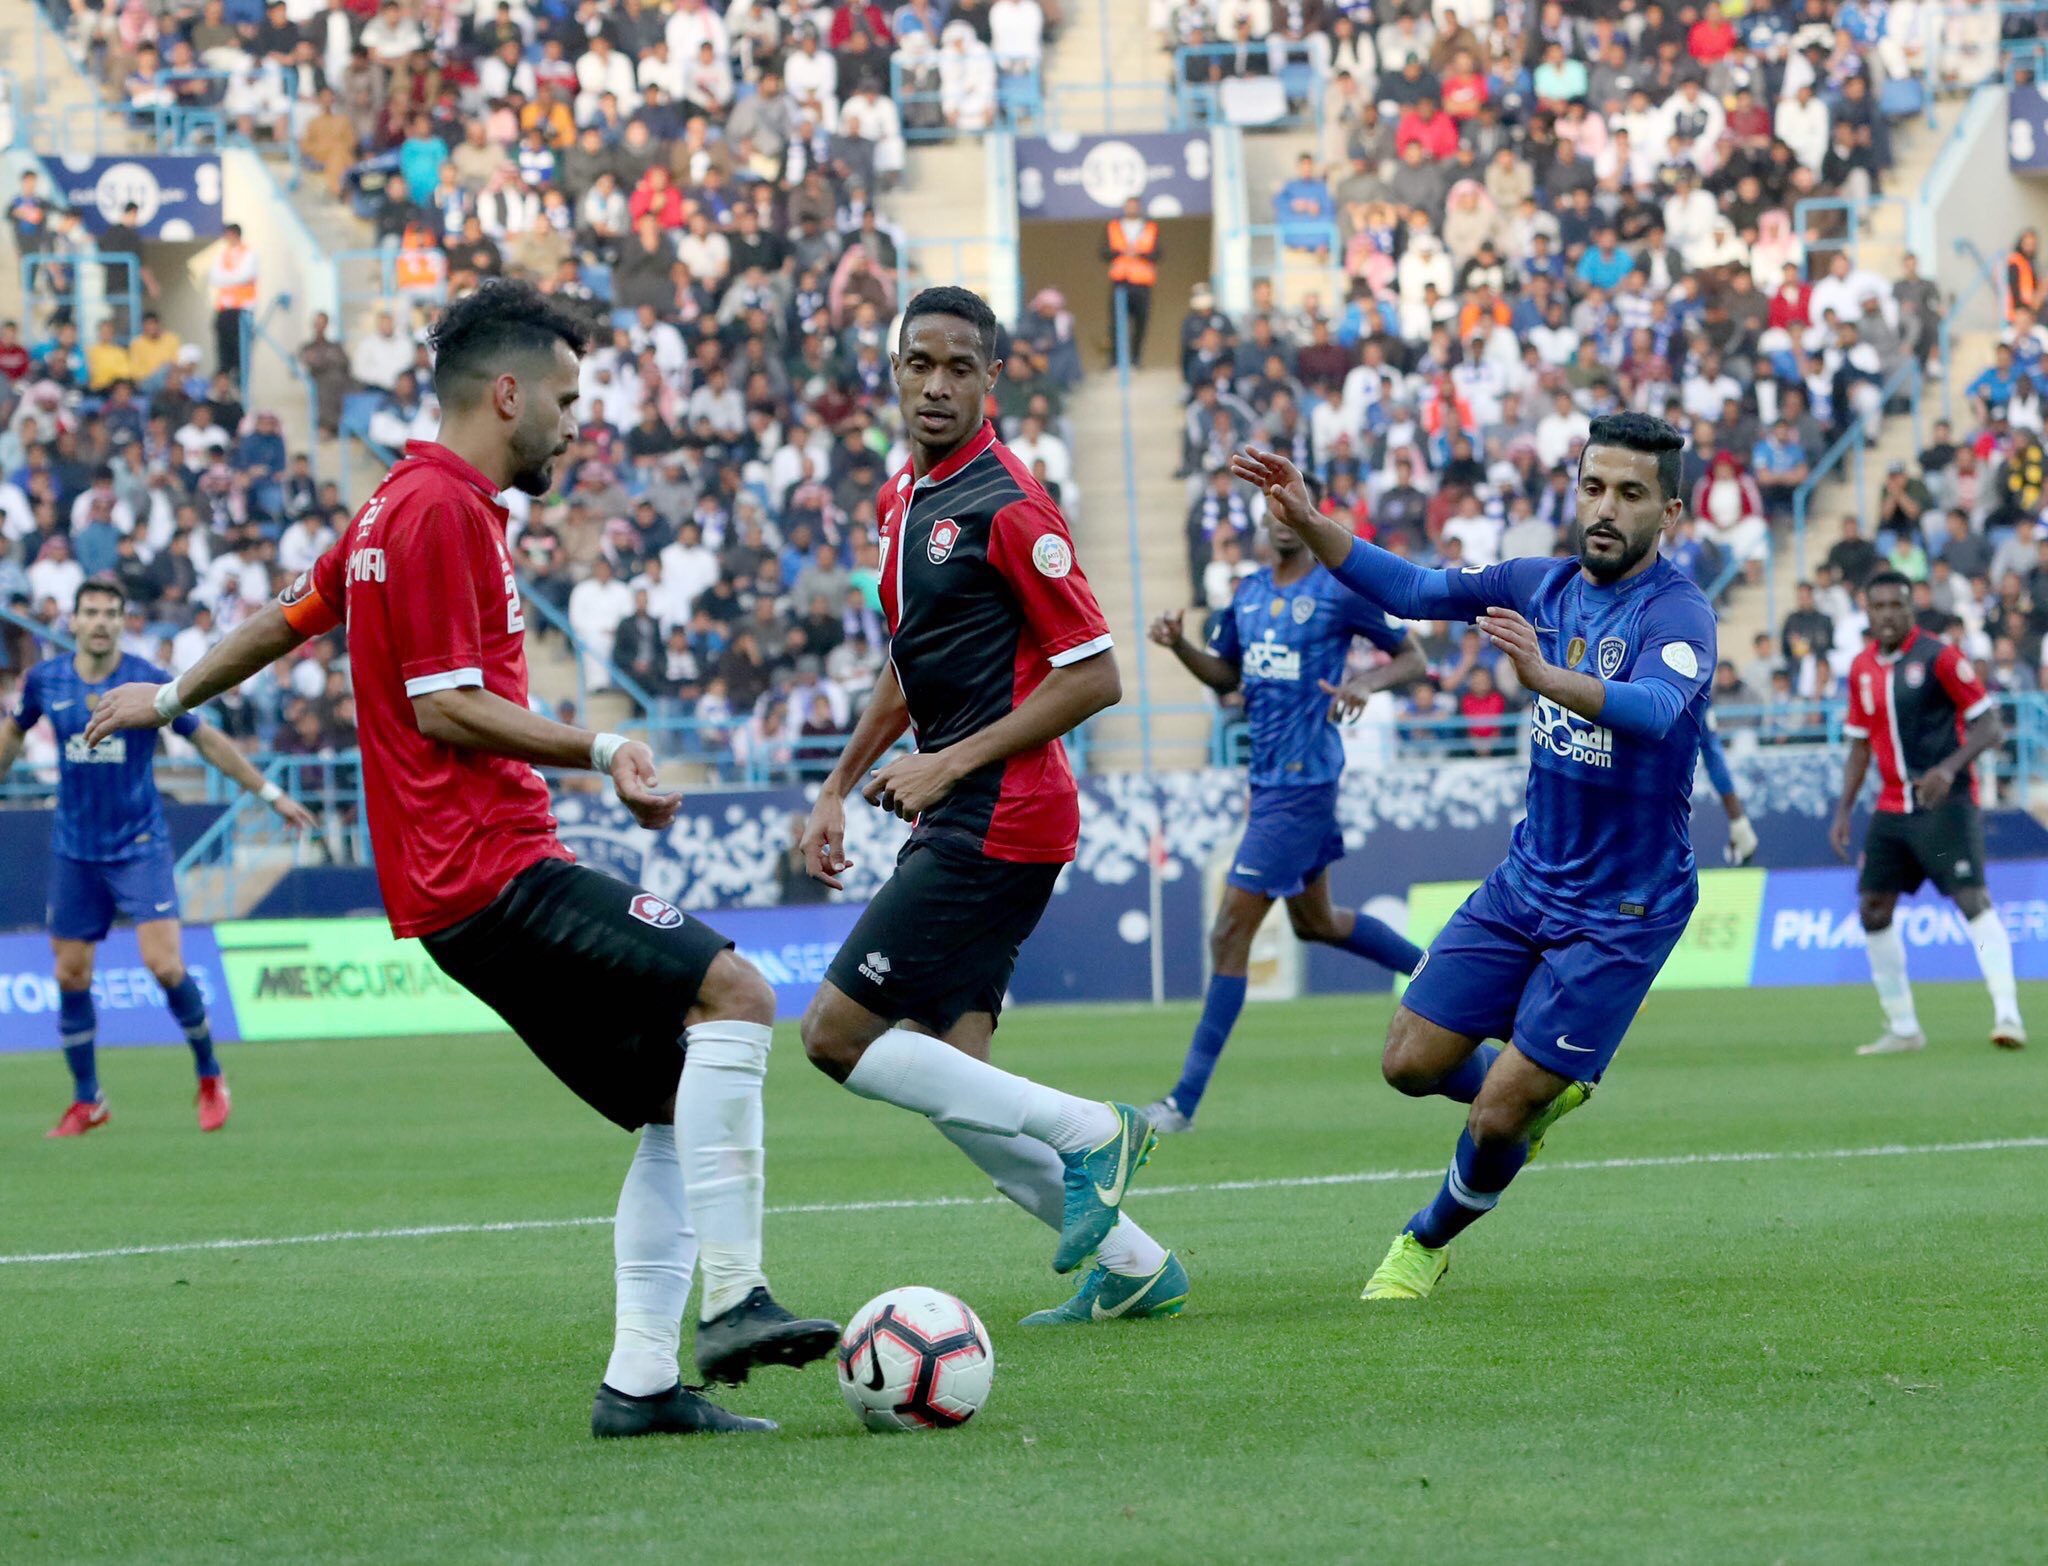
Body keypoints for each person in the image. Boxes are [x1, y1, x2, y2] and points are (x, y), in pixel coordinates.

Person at [84, 281, 836, 1438]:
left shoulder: (391, 505)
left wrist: (173, 690)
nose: (577, 422)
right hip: (490, 869)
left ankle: (640, 1387)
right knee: (735, 989)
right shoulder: (440, 511)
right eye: (568, 398)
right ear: (506, 393)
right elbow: (444, 708)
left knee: (678, 1099)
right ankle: (735, 1300)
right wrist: (606, 743)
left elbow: (289, 620)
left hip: (456, 891)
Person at [1239, 412, 1716, 1301]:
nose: (1605, 509)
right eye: (1593, 487)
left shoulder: (1679, 612)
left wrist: (1548, 679)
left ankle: (1424, 1241)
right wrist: (1309, 520)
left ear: (1671, 513)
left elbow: (1653, 708)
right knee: (1408, 1063)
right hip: (1528, 879)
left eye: (1630, 494)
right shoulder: (1540, 583)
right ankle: (1533, 1097)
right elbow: (1413, 587)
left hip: (1624, 910)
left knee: (1497, 1108)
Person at [797, 286, 1186, 1327]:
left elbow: (1094, 675)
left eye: (956, 368)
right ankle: (1138, 1266)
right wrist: (837, 784)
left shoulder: (1009, 505)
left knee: (836, 1035)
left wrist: (941, 766)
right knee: (949, 1073)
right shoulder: (902, 502)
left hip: (1004, 812)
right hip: (966, 806)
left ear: (990, 379)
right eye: (916, 363)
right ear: (892, 368)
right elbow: (906, 666)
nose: (933, 385)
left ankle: (1095, 1131)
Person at [1139, 480, 1428, 1134]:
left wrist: (1363, 681)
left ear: (1311, 514)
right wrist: (1181, 647)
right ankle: (1436, 971)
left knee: (1228, 933)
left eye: (1291, 506)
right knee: (1317, 923)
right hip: (1269, 785)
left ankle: (1182, 1103)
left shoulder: (1338, 589)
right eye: (1270, 508)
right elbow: (1229, 678)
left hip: (1304, 785)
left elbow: (1411, 659)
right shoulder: (1246, 593)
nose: (1280, 519)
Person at [0, 581, 316, 1138]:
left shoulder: (147, 680)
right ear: (73, 621)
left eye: (111, 613)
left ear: (123, 622)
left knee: (164, 964)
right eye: (90, 612)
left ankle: (210, 1074)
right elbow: (13, 733)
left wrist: (269, 793)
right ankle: (87, 1099)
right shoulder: (45, 681)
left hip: (139, 844)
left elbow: (206, 740)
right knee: (70, 974)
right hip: (74, 849)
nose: (100, 622)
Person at [1829, 571, 2024, 1054]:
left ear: (1910, 609)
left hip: (1946, 803)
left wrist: (1948, 769)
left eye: (1897, 605)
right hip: (1892, 806)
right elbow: (1858, 746)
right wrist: (1843, 811)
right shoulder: (1860, 669)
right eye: (1879, 607)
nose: (1889, 615)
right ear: (1867, 613)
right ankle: (1903, 1027)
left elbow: (1991, 725)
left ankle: (2008, 1014)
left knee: (1971, 900)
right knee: (1873, 908)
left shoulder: (1939, 656)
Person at [1102, 196, 1159, 363]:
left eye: (1134, 206)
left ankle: (1136, 359)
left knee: (1141, 322)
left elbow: (1159, 253)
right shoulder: (1113, 226)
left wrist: (1140, 254)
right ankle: (1115, 360)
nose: (1131, 209)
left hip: (1142, 283)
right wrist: (1121, 252)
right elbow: (1103, 251)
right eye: (1129, 206)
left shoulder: (1151, 227)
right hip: (1121, 281)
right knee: (1117, 322)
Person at [207, 223, 260, 385]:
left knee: (240, 354)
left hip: (242, 310)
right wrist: (232, 278)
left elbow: (244, 276)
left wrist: (227, 278)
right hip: (224, 309)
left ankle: (240, 385)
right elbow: (214, 277)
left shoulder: (249, 254)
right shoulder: (223, 255)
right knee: (224, 355)